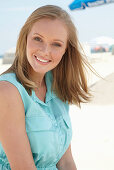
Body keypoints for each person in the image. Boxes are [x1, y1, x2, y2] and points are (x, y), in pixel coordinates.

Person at [0, 5, 91, 170]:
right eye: (38, 39)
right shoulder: (8, 91)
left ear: (66, 50)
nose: (44, 51)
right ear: (25, 38)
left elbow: (66, 161)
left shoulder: (56, 86)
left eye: (56, 44)